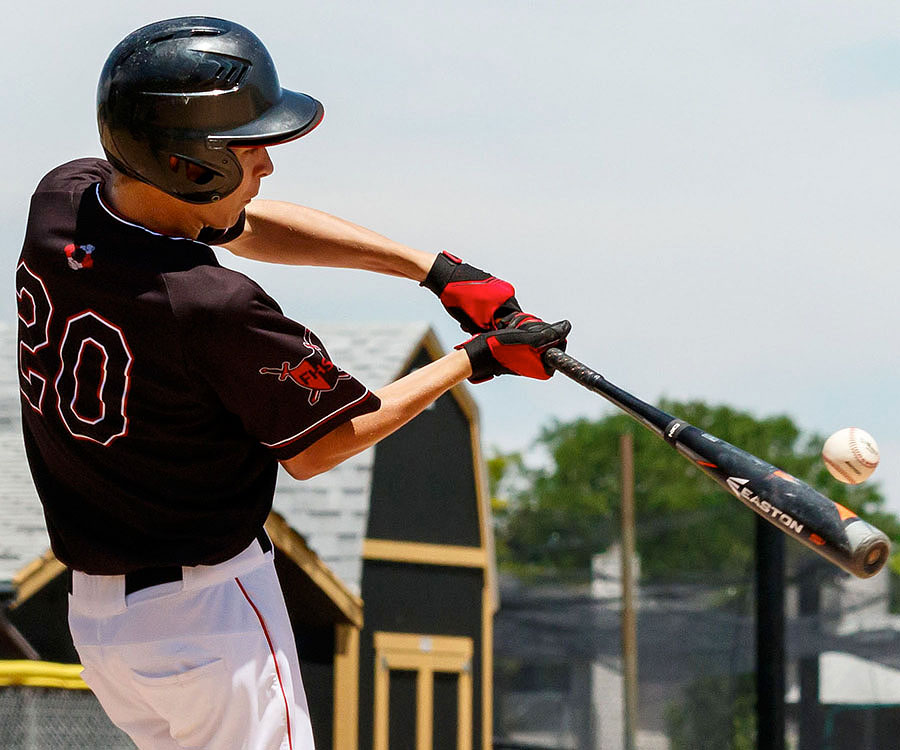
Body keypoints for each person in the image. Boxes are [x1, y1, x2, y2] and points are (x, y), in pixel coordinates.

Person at [15, 16, 570, 750]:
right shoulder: (212, 306)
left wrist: (431, 269)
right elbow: (325, 443)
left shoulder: (66, 199)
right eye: (248, 146)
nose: (267, 164)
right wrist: (475, 360)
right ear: (188, 166)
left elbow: (242, 225)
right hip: (210, 617)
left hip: (105, 628)